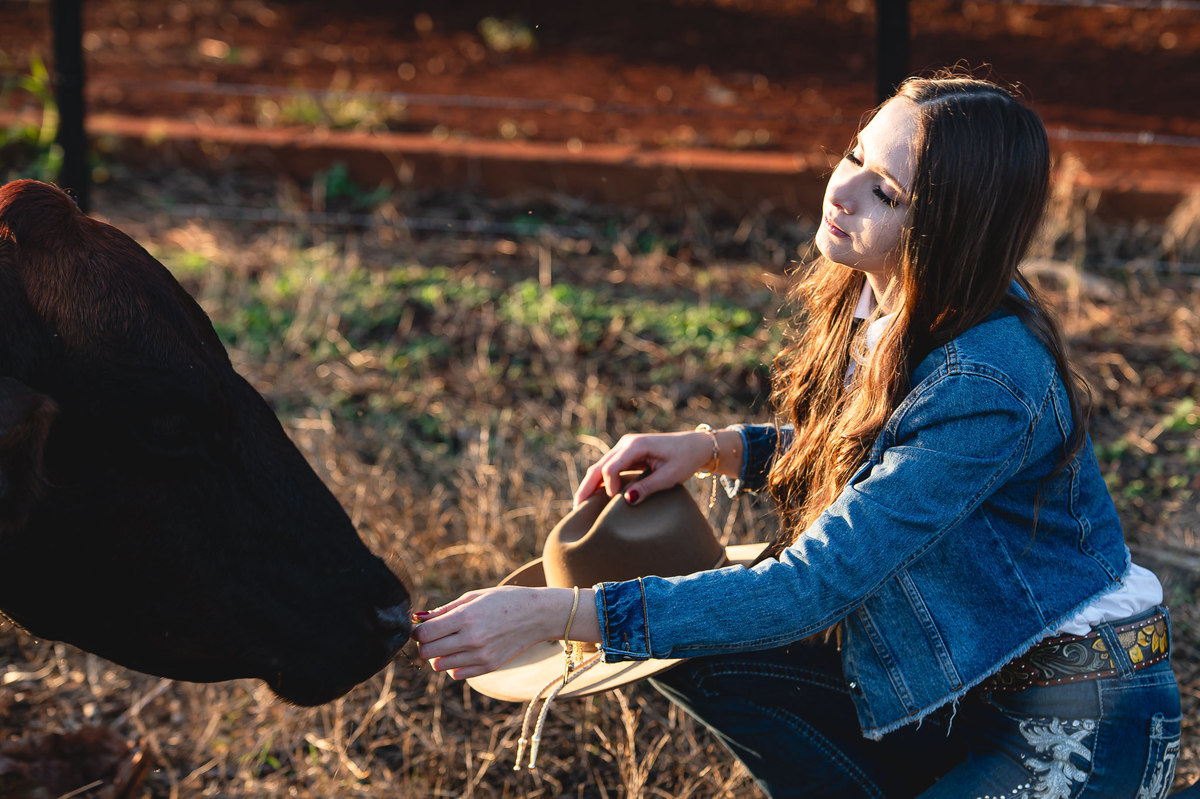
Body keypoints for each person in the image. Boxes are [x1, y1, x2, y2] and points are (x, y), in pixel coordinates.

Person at [413, 72, 1182, 798]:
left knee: (706, 624)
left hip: (1074, 713)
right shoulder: (897, 295)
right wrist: (718, 448)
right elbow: (884, 462)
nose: (843, 190)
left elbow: (813, 588)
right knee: (699, 653)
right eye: (854, 153)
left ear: (949, 229)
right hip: (955, 674)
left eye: (885, 191)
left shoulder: (986, 381)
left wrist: (554, 615)